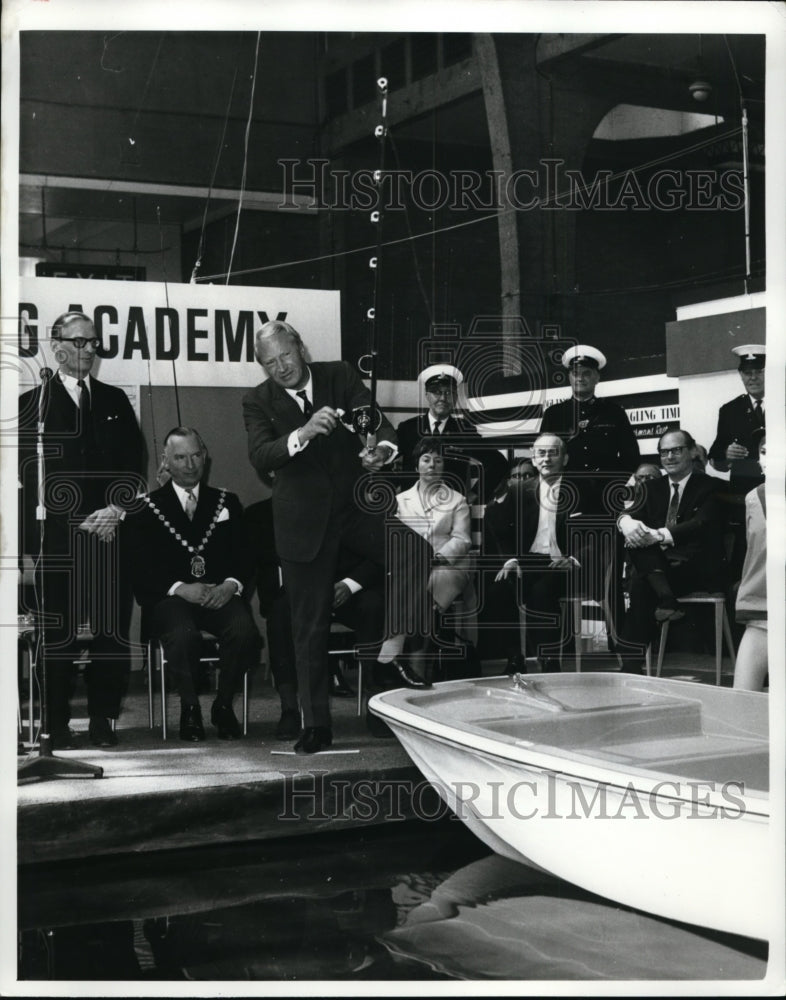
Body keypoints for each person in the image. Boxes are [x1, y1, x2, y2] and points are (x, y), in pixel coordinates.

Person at [242, 320, 397, 754]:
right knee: (309, 628)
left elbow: (377, 424)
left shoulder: (340, 376)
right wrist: (304, 431)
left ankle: (390, 657)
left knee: (415, 555)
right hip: (302, 524)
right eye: (270, 363)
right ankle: (316, 725)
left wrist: (380, 451)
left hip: (353, 509)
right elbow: (261, 454)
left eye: (286, 356)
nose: (281, 368)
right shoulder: (258, 401)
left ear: (300, 348)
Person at [18, 310, 144, 749]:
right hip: (59, 541)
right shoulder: (31, 407)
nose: (88, 349)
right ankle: (55, 723)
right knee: (59, 633)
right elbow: (27, 482)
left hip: (112, 534)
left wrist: (115, 509)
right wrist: (34, 547)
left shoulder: (114, 401)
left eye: (93, 342)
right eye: (79, 342)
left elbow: (135, 466)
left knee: (111, 631)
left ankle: (103, 719)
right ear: (57, 347)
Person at [125, 428, 261, 741]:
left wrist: (230, 585)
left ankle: (223, 705)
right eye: (180, 457)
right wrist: (179, 588)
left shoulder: (226, 501)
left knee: (244, 632)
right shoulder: (146, 507)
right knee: (183, 635)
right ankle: (190, 708)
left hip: (219, 594)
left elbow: (244, 556)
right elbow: (139, 567)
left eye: (196, 455)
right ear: (166, 462)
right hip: (170, 599)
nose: (190, 464)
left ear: (205, 456)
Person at [244, 497, 388, 740]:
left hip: (344, 590)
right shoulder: (260, 513)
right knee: (279, 613)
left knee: (373, 606)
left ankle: (377, 704)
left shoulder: (349, 506)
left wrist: (349, 585)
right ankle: (289, 707)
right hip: (301, 592)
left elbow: (380, 553)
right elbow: (263, 566)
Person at [617, 428, 725, 672]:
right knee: (635, 545)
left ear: (692, 451)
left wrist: (657, 536)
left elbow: (701, 524)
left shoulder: (711, 486)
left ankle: (631, 664)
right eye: (664, 452)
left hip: (696, 569)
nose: (669, 457)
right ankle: (666, 599)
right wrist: (626, 523)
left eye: (676, 450)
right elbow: (629, 514)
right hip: (661, 569)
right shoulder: (651, 488)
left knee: (641, 578)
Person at [488, 433, 592, 670]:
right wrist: (511, 559)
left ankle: (549, 659)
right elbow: (499, 528)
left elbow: (594, 535)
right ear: (533, 460)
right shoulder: (519, 490)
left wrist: (574, 559)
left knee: (541, 590)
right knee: (498, 589)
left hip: (565, 563)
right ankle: (515, 657)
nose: (546, 459)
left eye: (553, 453)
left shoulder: (583, 488)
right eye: (540, 454)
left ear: (565, 459)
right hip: (529, 561)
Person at [376, 436, 475, 684]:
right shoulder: (400, 501)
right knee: (420, 602)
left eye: (438, 460)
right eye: (426, 459)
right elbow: (393, 540)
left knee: (423, 588)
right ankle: (415, 673)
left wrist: (436, 558)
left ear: (444, 466)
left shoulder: (457, 500)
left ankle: (396, 653)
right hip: (411, 568)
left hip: (448, 566)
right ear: (417, 465)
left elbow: (462, 540)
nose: (432, 465)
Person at [539, 344, 640, 512]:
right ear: (569, 377)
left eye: (587, 373)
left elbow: (631, 456)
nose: (580, 378)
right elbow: (543, 455)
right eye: (575, 373)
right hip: (566, 496)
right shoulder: (554, 414)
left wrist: (614, 483)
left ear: (597, 378)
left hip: (606, 497)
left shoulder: (614, 412)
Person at [395, 363, 506, 502]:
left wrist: (475, 494)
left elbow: (498, 463)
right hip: (412, 508)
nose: (443, 398)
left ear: (455, 398)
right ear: (427, 395)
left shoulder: (464, 430)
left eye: (449, 393)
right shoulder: (408, 429)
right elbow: (385, 460)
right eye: (436, 392)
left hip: (451, 510)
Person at [733, 432, 767, 691]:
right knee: (742, 698)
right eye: (764, 452)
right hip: (761, 610)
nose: (770, 459)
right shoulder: (753, 498)